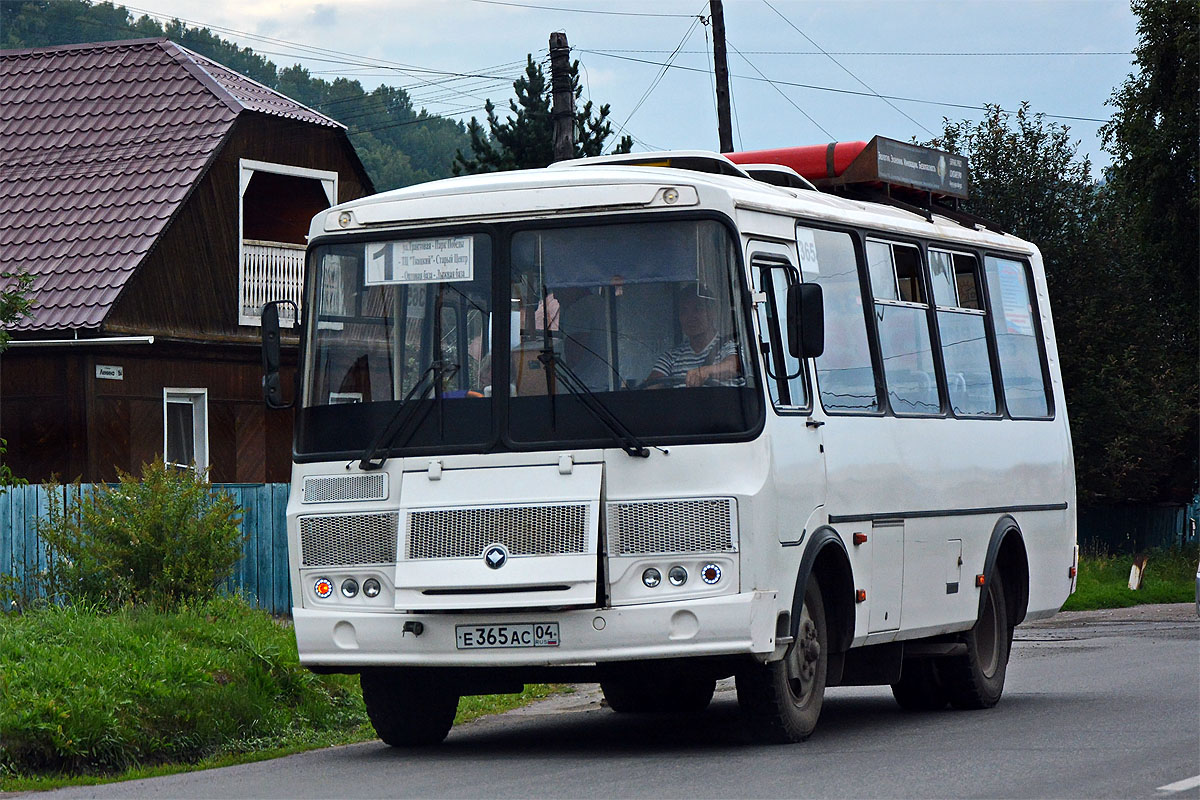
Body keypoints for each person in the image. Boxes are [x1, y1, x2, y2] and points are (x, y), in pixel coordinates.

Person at [645, 289, 740, 387]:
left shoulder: (728, 346)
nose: (690, 317)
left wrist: (706, 371)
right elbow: (652, 386)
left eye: (698, 309)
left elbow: (733, 366)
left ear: (712, 313)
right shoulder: (672, 357)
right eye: (684, 311)